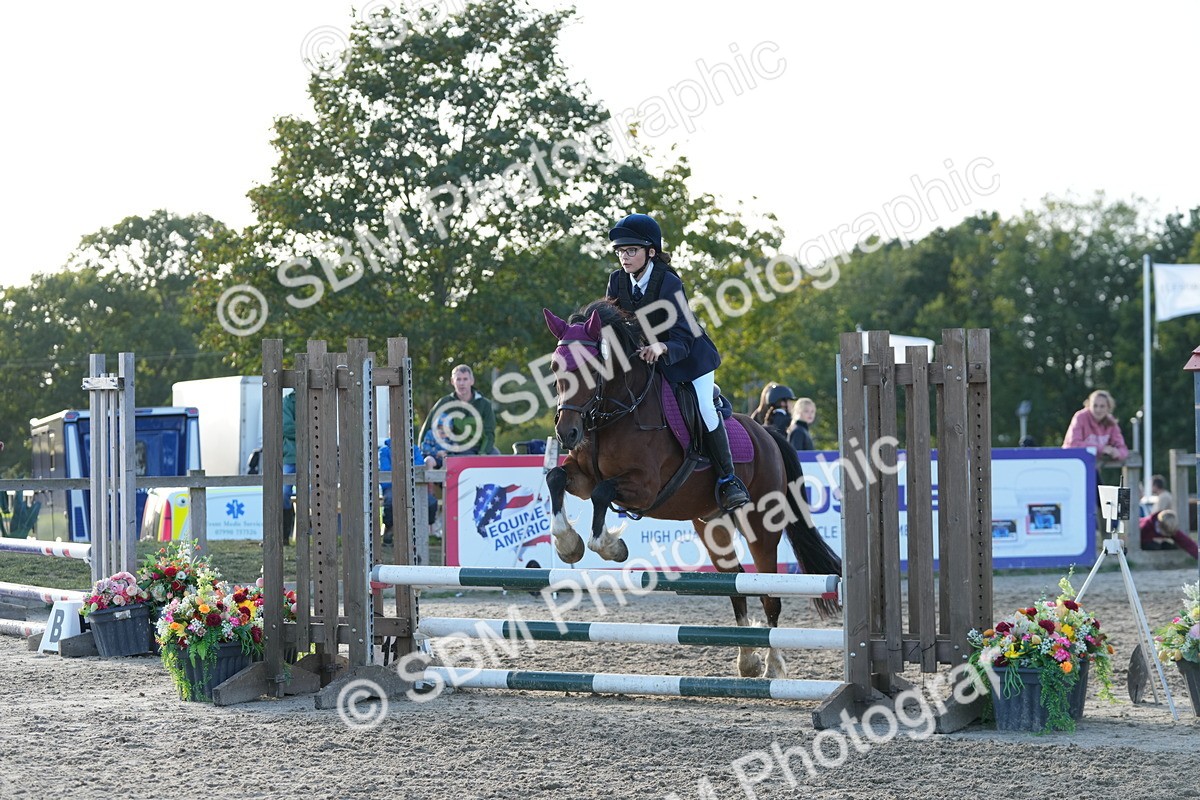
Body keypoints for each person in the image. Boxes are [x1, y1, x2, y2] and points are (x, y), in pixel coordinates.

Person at [605, 212, 750, 511]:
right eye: (620, 251)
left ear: (651, 252)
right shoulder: (617, 281)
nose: (624, 257)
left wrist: (662, 346)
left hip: (688, 358)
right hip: (645, 360)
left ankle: (728, 479)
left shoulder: (668, 283)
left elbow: (684, 334)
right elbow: (610, 324)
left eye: (631, 250)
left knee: (705, 407)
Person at [417, 364, 497, 456]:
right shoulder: (444, 403)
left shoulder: (484, 404)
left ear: (472, 381)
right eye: (458, 379)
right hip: (456, 449)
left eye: (465, 379)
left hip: (481, 448)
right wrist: (421, 454)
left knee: (497, 457)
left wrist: (483, 453)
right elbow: (427, 428)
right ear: (452, 381)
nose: (462, 383)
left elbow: (489, 432)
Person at [1061, 389, 1129, 466]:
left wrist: (1117, 453)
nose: (1098, 410)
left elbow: (1122, 448)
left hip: (1093, 466)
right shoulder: (1080, 417)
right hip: (1072, 463)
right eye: (1095, 405)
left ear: (1108, 407)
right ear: (1089, 405)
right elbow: (1073, 444)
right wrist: (1101, 449)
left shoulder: (1111, 422)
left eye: (1102, 406)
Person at [281, 389, 297, 543]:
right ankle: (284, 534)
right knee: (283, 492)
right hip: (291, 455)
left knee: (317, 492)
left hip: (312, 455)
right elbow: (286, 428)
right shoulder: (288, 401)